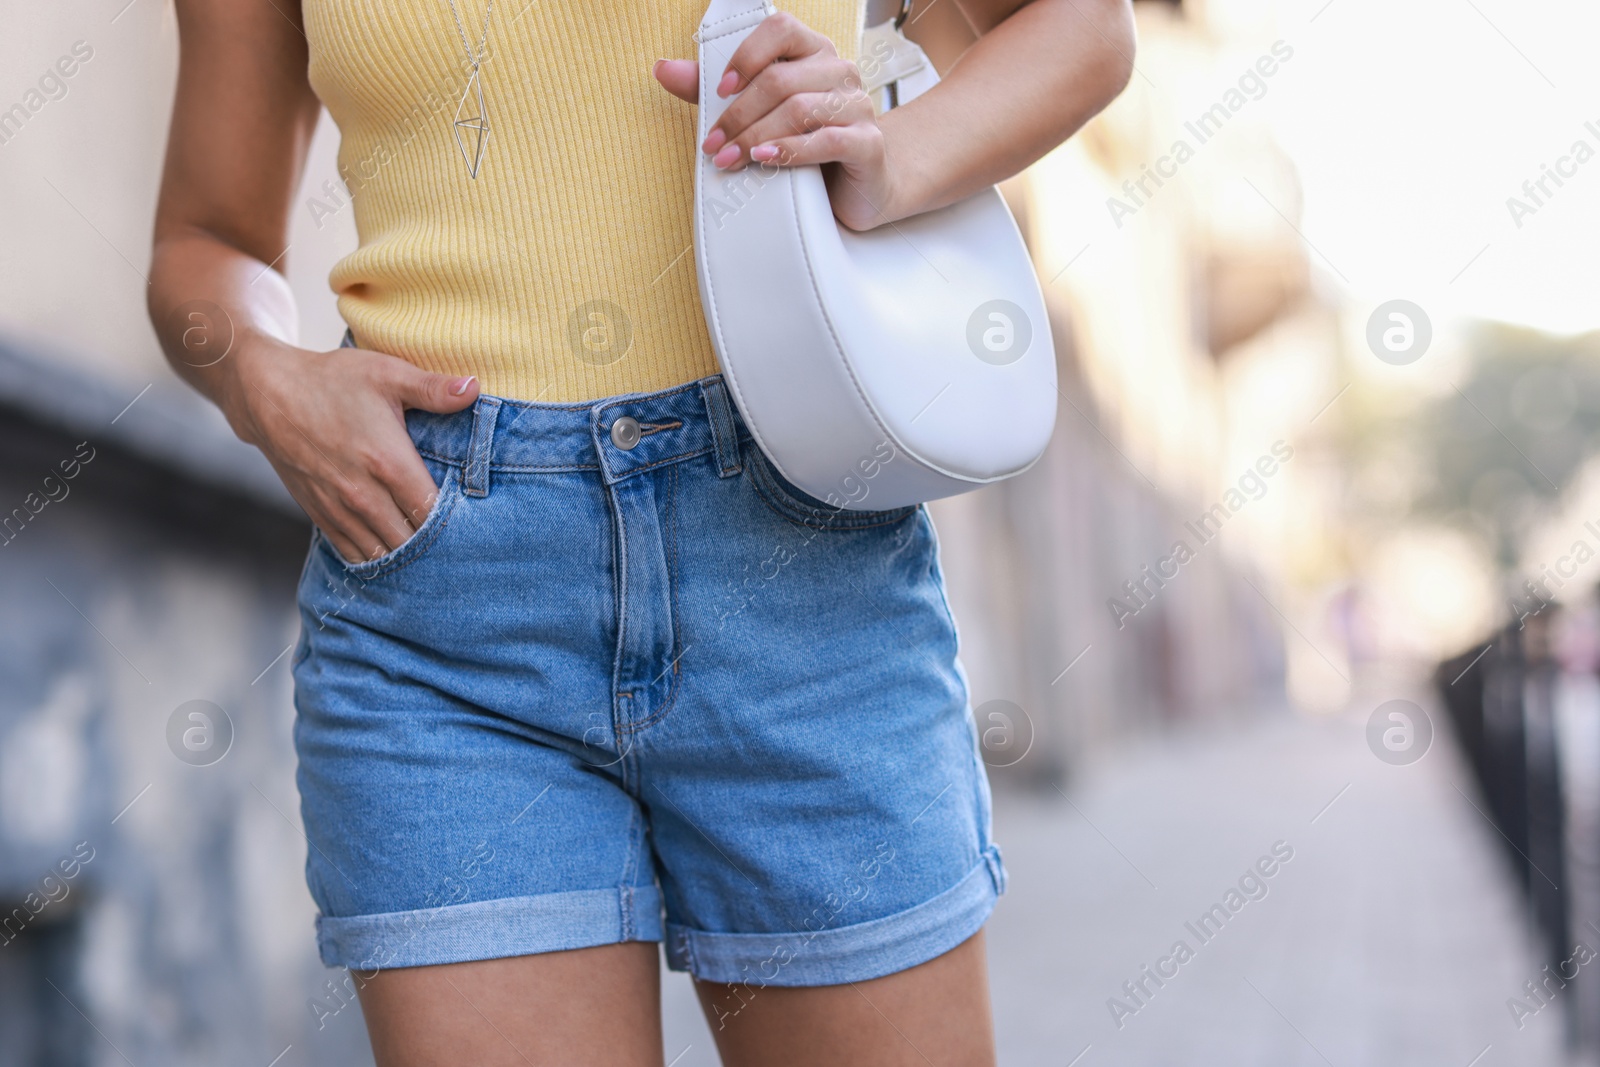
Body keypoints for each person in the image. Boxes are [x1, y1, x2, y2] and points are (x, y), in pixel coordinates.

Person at [146, 1, 1133, 1063]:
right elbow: (206, 240)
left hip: (802, 571)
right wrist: (263, 376)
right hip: (443, 602)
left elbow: (1082, 27)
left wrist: (889, 153)